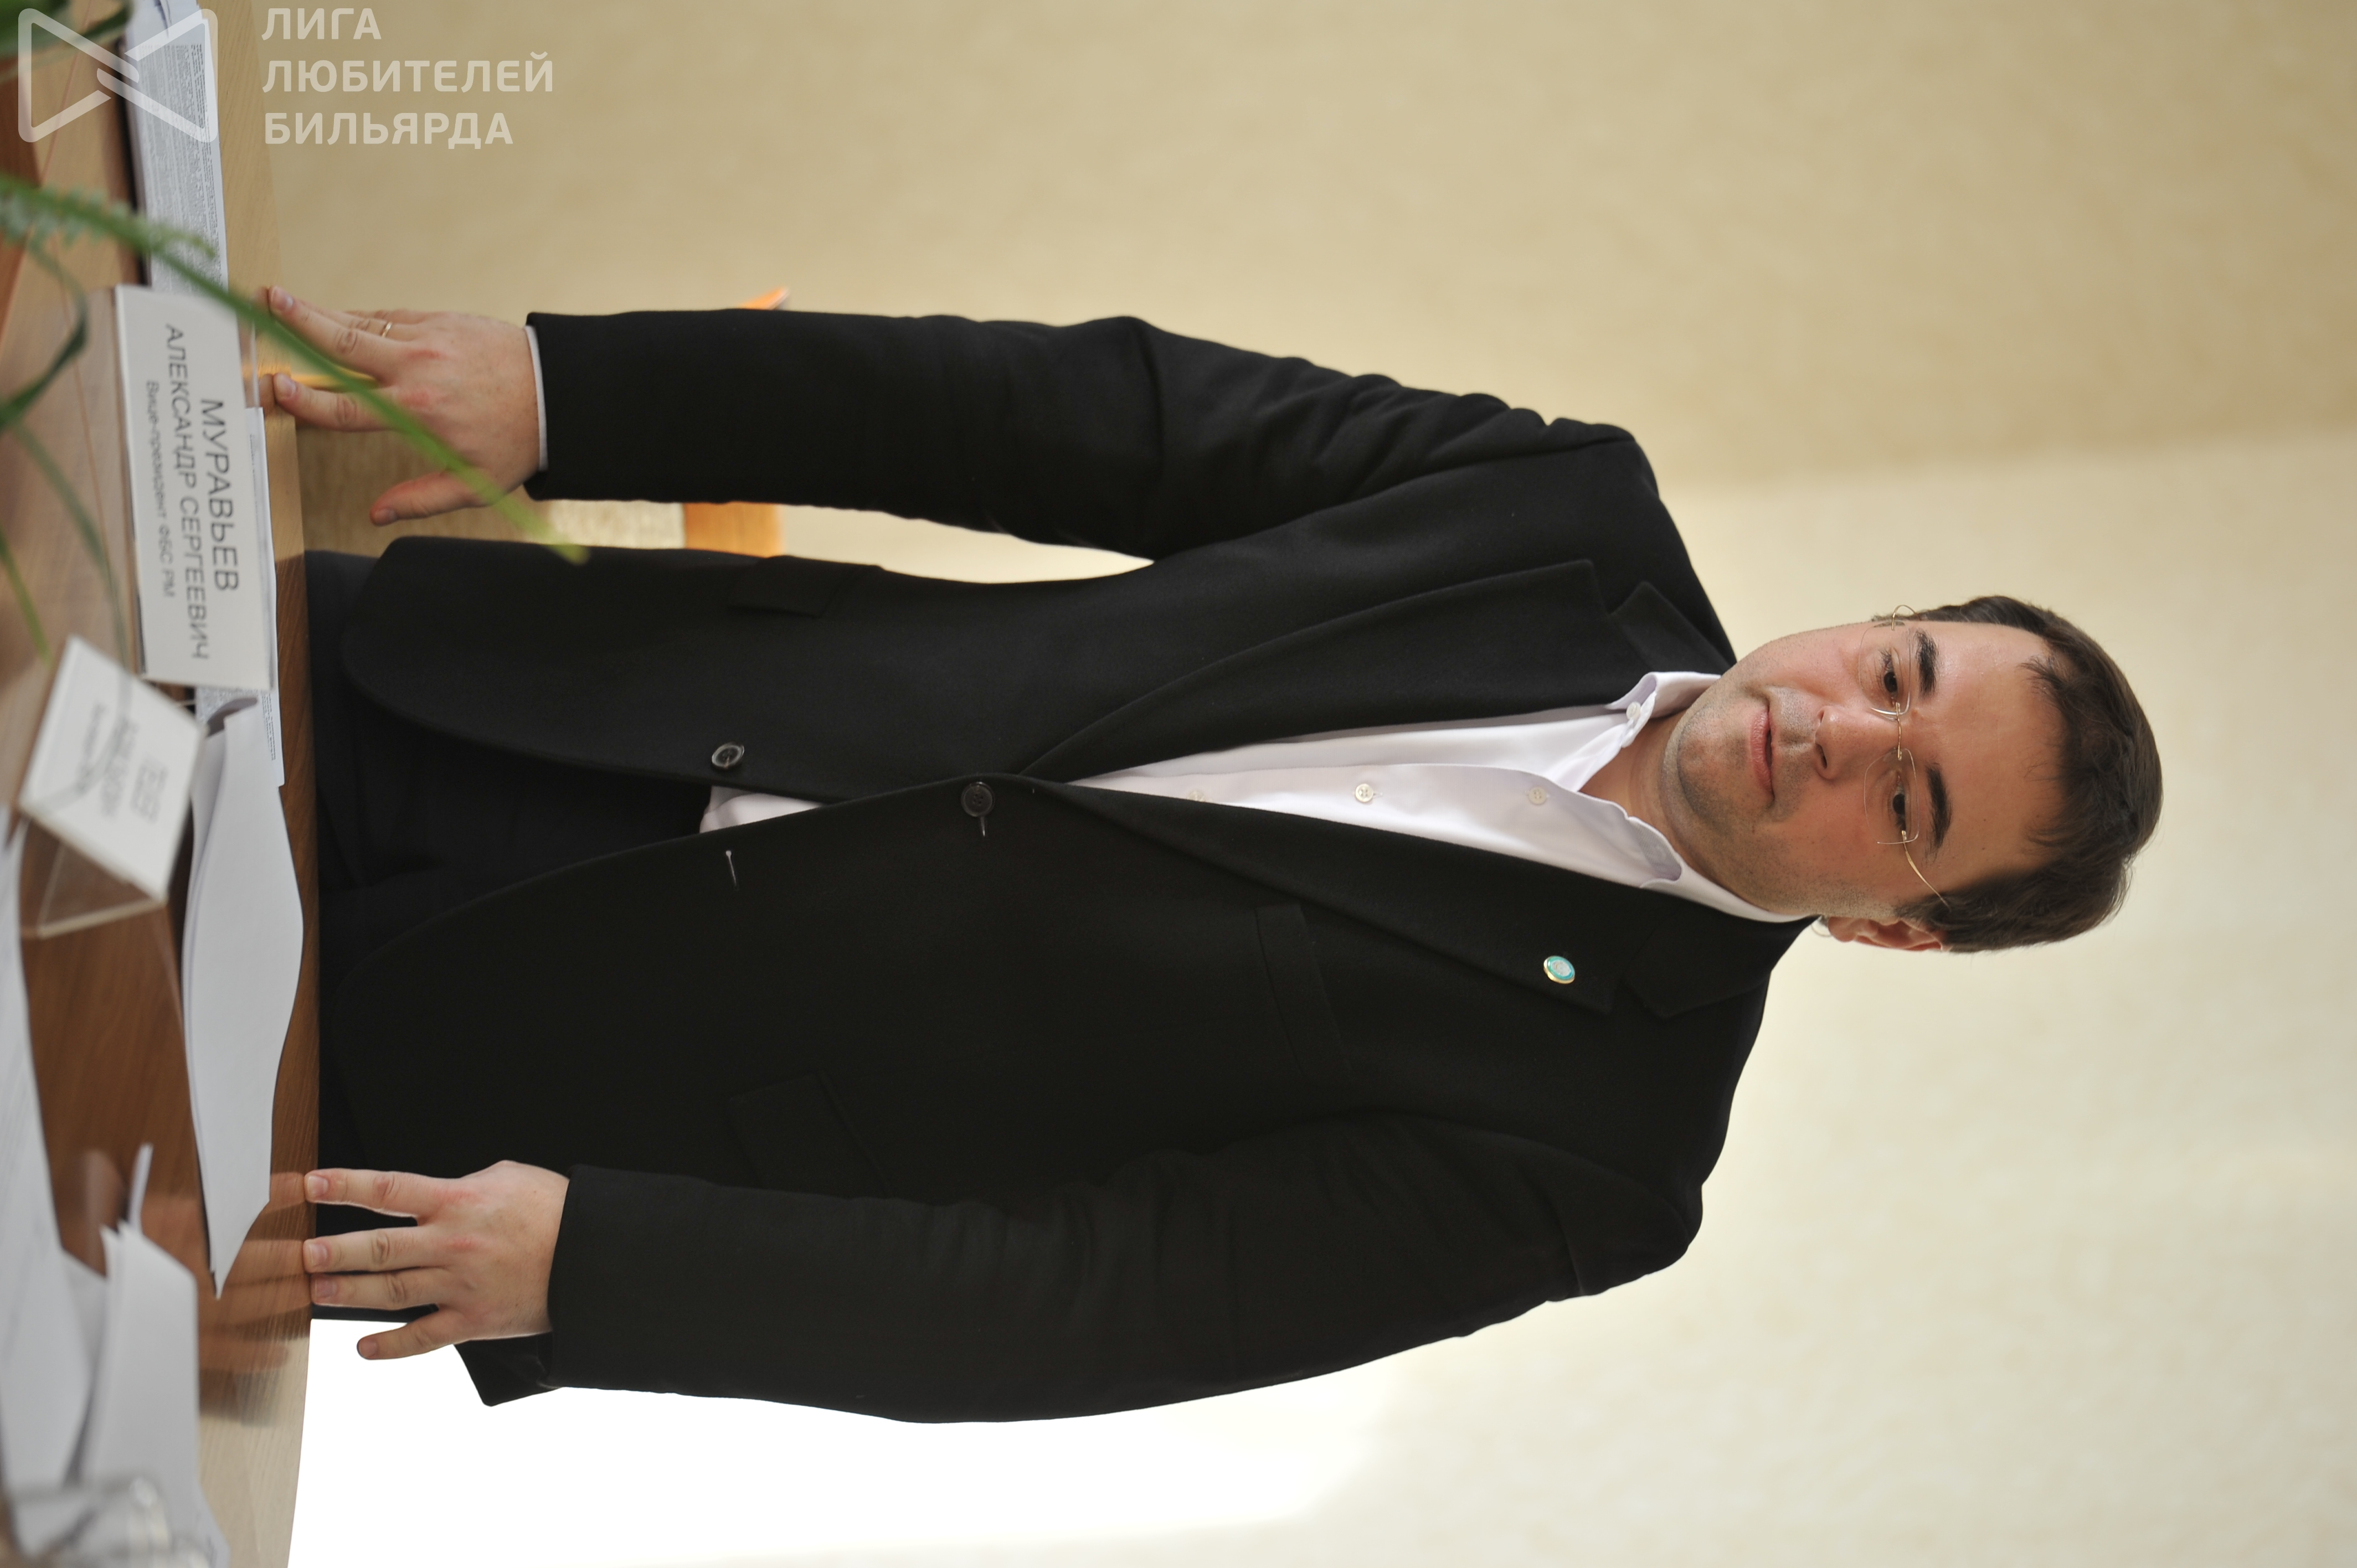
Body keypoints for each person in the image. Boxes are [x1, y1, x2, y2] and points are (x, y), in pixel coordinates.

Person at [265, 290, 2162, 1419]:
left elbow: (1099, 1302)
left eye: (1908, 804)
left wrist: (608, 1271)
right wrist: (575, 390)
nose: (1844, 731)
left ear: (1899, 931)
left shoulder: (1604, 1158)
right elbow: (1076, 420)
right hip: (510, 691)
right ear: (1885, 621)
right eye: (1899, 674)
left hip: (543, 1116)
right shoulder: (1560, 512)